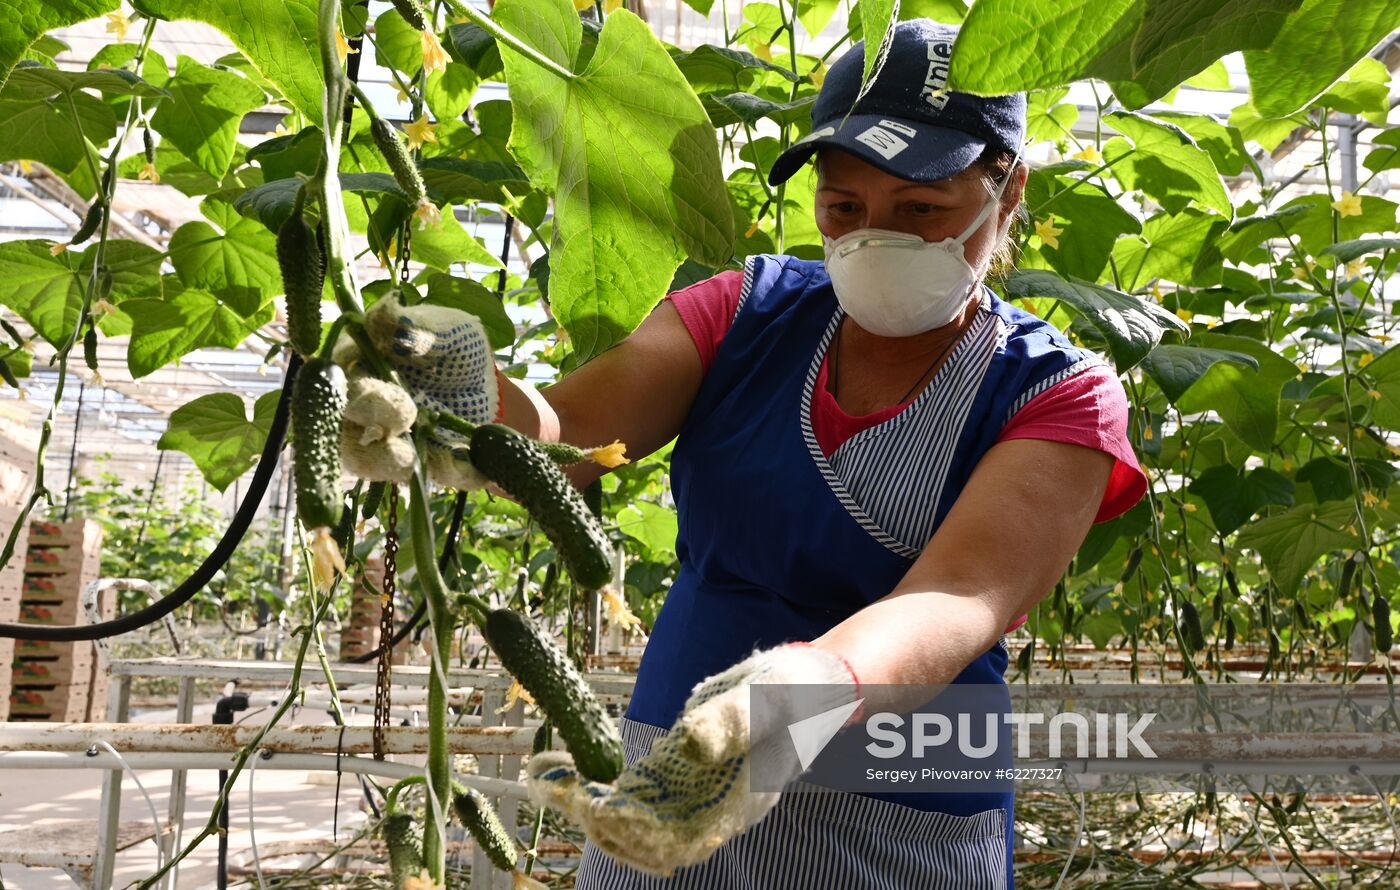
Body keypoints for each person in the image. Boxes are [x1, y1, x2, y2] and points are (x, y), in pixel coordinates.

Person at [372, 17, 1147, 890]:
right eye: (844, 208)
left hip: (898, 826)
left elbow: (958, 597)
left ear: (1006, 195)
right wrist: (467, 405)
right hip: (675, 766)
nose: (875, 238)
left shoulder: (1057, 391)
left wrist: (803, 686)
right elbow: (568, 436)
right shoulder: (746, 310)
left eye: (921, 211)